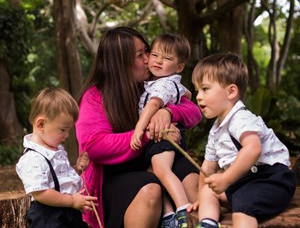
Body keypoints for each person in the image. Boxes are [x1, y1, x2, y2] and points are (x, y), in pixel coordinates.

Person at [75, 26, 202, 228]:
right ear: (120, 63)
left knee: (189, 174)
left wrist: (167, 112)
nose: (147, 59)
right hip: (113, 180)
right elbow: (95, 146)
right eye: (139, 55)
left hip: (150, 164)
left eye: (147, 51)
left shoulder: (152, 85)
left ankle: (201, 222)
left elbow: (194, 110)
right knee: (148, 188)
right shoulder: (95, 96)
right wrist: (149, 133)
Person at [188, 53, 296, 228]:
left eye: (205, 89)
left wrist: (226, 179)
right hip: (242, 183)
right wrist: (201, 197)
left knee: (243, 208)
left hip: (270, 179)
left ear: (231, 91)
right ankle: (207, 223)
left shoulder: (241, 118)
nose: (198, 96)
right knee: (208, 190)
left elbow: (253, 149)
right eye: (197, 90)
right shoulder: (216, 130)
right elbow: (207, 168)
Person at [130, 33, 194, 228]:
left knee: (161, 170)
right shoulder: (166, 81)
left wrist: (138, 130)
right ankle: (168, 215)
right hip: (159, 138)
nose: (158, 61)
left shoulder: (165, 83)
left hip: (162, 137)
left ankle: (183, 208)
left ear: (179, 66)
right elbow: (188, 95)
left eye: (167, 58)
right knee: (153, 173)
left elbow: (152, 106)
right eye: (155, 55)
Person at [16, 87, 97, 228]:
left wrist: (77, 169)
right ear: (41, 124)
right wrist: (71, 200)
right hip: (49, 217)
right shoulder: (33, 158)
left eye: (68, 130)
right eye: (62, 130)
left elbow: (59, 178)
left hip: (67, 213)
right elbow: (40, 193)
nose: (66, 135)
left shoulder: (54, 150)